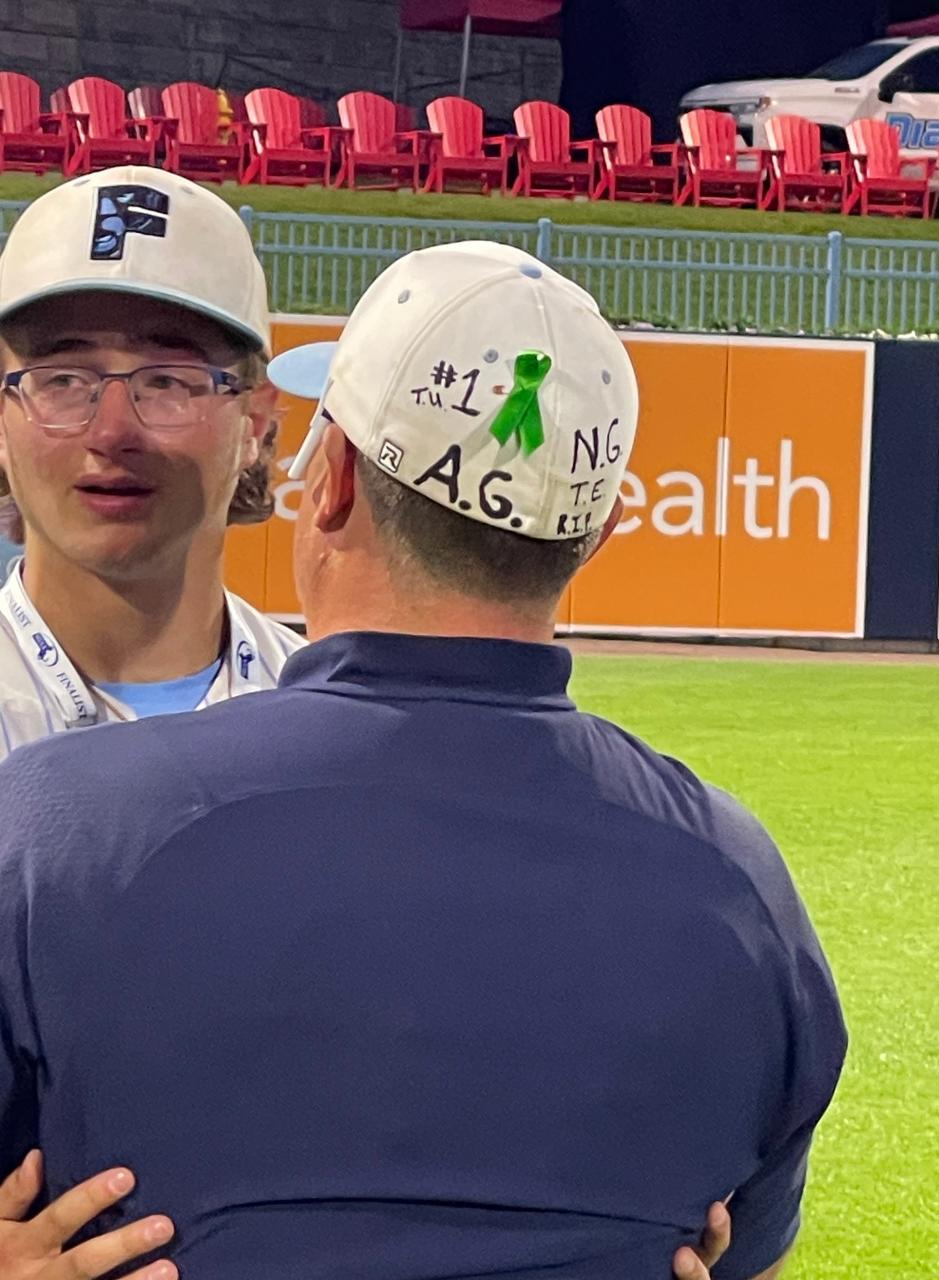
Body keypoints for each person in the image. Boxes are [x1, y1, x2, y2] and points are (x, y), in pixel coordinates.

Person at [0, 240, 846, 1279]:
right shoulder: (735, 877)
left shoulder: (50, 829)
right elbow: (738, 1247)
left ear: (334, 482)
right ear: (600, 530)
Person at [0, 165, 304, 759]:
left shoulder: (326, 733)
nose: (113, 431)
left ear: (255, 423)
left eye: (168, 380)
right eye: (62, 378)